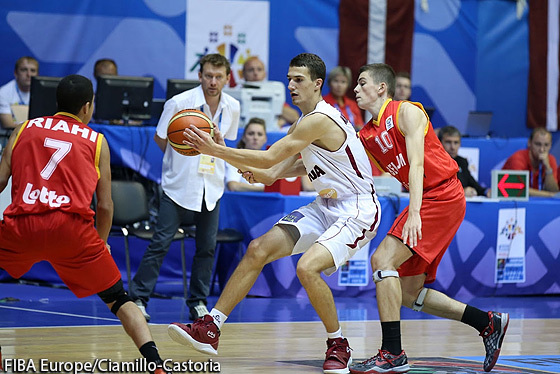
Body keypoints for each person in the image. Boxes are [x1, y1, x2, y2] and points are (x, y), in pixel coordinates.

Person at [168, 53, 381, 374]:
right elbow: (269, 174)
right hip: (325, 205)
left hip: (357, 209)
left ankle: (338, 343)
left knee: (308, 268)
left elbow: (268, 159)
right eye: (289, 79)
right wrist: (228, 151)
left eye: (299, 80)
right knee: (258, 249)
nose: (291, 85)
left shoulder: (319, 119)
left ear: (317, 84)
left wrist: (214, 150)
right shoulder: (303, 123)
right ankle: (211, 328)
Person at [0, 74, 168, 374]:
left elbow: (0, 182)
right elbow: (105, 205)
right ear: (88, 107)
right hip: (72, 232)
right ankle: (156, 364)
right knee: (119, 300)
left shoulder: (22, 128)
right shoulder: (96, 141)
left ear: (56, 103)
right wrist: (100, 243)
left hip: (23, 225)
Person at [349, 63, 508, 373]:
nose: (356, 88)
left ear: (382, 88)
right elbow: (339, 162)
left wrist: (415, 213)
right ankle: (487, 323)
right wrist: (271, 167)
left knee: (382, 261)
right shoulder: (366, 134)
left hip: (442, 195)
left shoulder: (407, 112)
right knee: (407, 293)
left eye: (362, 82)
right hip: (430, 199)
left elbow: (417, 165)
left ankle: (392, 353)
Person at [129, 53, 240, 322]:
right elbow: (160, 137)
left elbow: (227, 147)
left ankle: (198, 301)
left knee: (206, 247)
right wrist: (179, 158)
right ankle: (138, 298)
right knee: (161, 243)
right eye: (208, 76)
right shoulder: (179, 103)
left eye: (218, 76)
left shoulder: (233, 107)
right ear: (200, 76)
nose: (213, 81)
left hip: (211, 187)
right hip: (178, 185)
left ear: (227, 78)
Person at [242, 56, 300, 128]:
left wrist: (269, 103)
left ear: (265, 73)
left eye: (259, 69)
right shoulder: (237, 97)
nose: (255, 73)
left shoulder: (272, 96)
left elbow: (295, 117)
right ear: (243, 73)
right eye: (251, 70)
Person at [502, 127, 559, 197]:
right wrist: (550, 195)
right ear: (529, 143)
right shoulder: (518, 158)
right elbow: (519, 189)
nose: (542, 149)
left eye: (546, 145)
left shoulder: (550, 160)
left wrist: (548, 168)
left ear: (550, 145)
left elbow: (553, 190)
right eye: (538, 144)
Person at [438, 125, 488, 197]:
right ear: (439, 143)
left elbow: (474, 184)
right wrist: (461, 191)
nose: (453, 147)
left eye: (456, 143)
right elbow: (437, 190)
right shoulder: (434, 163)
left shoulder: (462, 162)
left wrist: (487, 192)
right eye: (448, 142)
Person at [225, 117, 267, 192]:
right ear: (244, 137)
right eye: (251, 134)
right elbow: (233, 186)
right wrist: (265, 189)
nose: (255, 137)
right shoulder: (234, 156)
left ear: (265, 139)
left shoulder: (270, 159)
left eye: (260, 134)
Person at [0, 56, 39, 129]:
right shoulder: (3, 92)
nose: (29, 74)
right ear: (16, 73)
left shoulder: (43, 93)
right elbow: (8, 124)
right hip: (10, 136)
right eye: (24, 70)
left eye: (33, 71)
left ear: (37, 74)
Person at [324, 66, 364, 130]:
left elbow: (360, 126)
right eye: (336, 81)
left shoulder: (353, 105)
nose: (339, 85)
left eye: (343, 82)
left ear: (348, 84)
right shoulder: (323, 103)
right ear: (329, 83)